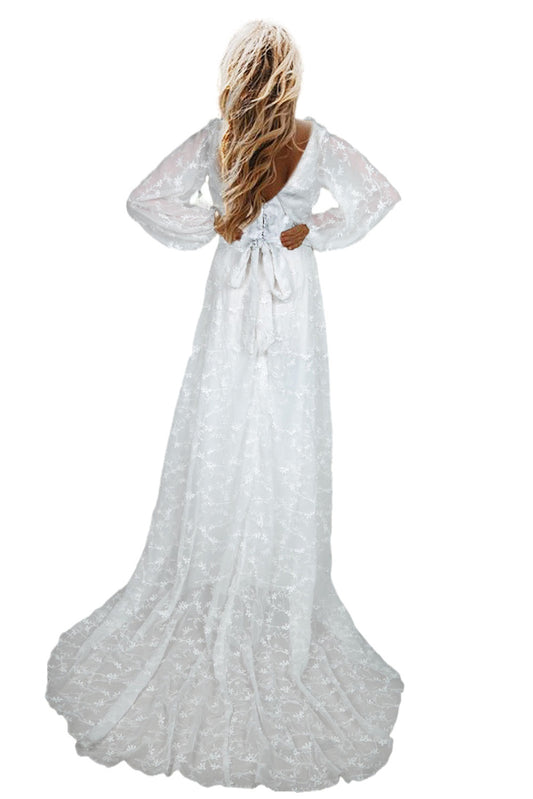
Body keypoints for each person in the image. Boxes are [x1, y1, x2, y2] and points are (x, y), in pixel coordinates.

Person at [46, 18, 404, 791]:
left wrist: (238, 224)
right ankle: (240, 575)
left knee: (236, 422)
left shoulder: (226, 137)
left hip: (245, 294)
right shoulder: (303, 139)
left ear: (239, 73)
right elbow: (376, 196)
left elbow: (147, 199)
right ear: (289, 74)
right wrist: (304, 230)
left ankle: (255, 575)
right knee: (269, 430)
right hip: (285, 299)